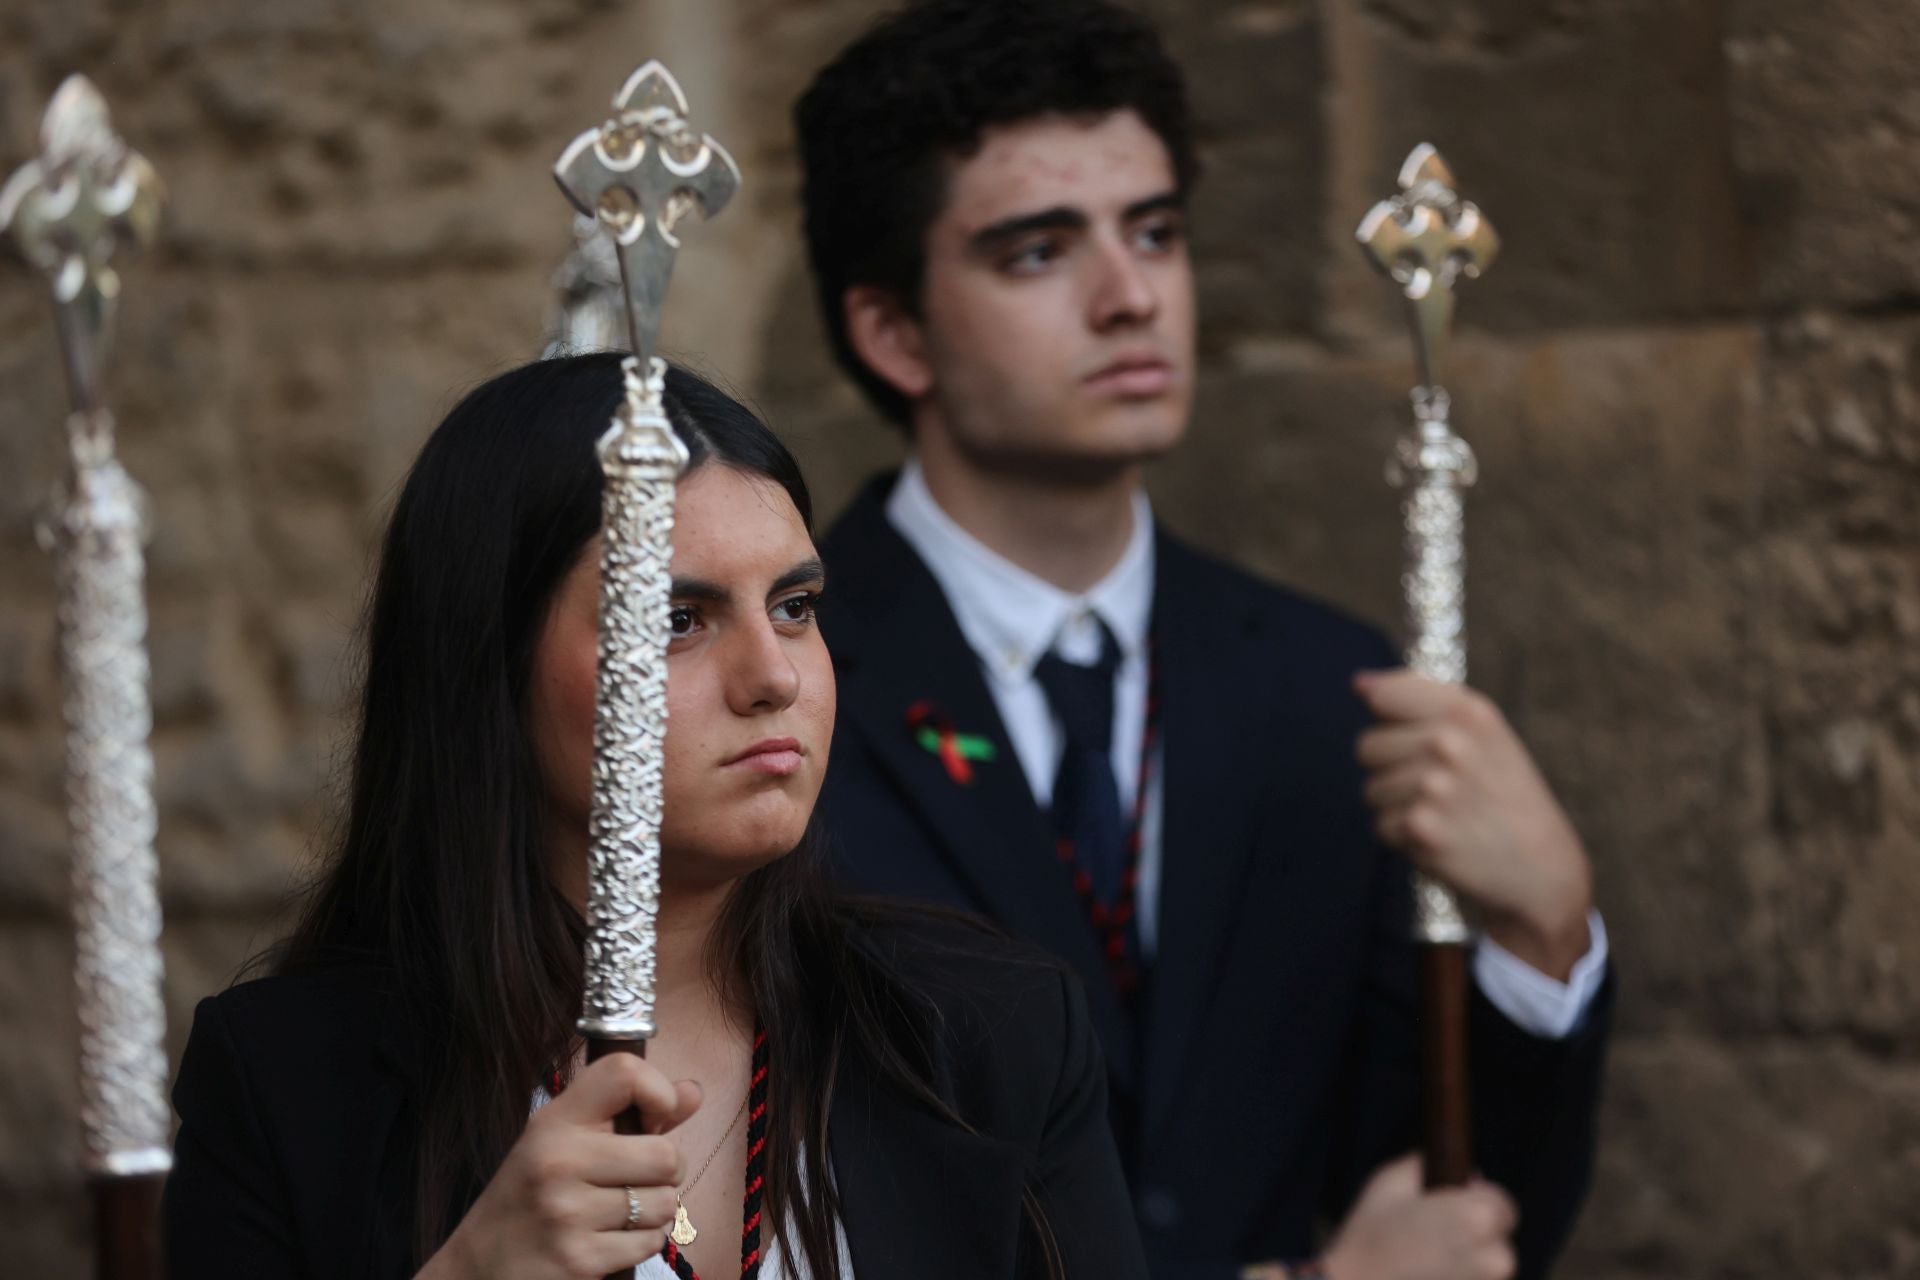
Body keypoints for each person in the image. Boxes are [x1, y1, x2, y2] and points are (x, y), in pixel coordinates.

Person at [793, 3, 1612, 1278]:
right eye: (1036, 253)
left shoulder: (1317, 687)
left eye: (1156, 232)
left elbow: (1452, 1212)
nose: (1130, 298)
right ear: (893, 331)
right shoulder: (776, 690)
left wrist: (1542, 936)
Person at [162, 354, 1147, 1280]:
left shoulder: (989, 1035)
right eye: (676, 619)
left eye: (796, 604)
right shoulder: (287, 1084)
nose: (774, 674)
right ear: (487, 670)